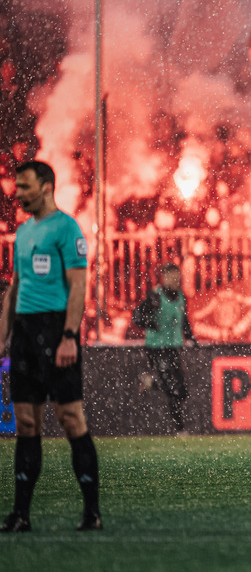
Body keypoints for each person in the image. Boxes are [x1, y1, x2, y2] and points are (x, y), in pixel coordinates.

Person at [0, 161, 101, 532]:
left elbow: (78, 286)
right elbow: (15, 288)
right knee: (26, 423)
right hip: (25, 334)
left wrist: (70, 335)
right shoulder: (24, 232)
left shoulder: (67, 228)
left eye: (25, 187)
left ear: (46, 187)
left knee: (71, 418)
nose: (19, 193)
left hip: (56, 328)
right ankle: (21, 514)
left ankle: (92, 512)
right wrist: (3, 336)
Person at [132, 263, 194, 435]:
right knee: (172, 388)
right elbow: (136, 317)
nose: (175, 280)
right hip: (156, 348)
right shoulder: (156, 297)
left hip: (174, 347)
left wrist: (190, 335)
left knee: (181, 391)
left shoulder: (182, 296)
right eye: (172, 277)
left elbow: (184, 319)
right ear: (164, 278)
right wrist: (148, 323)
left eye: (177, 277)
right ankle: (180, 429)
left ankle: (151, 383)